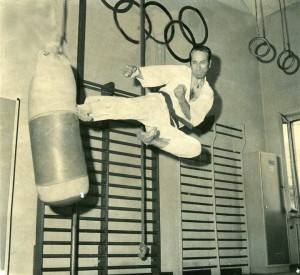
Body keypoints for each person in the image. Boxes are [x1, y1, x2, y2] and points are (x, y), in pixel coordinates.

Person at [77, 45, 214, 158]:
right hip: (158, 105)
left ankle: (152, 140)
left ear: (209, 63)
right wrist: (136, 72)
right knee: (128, 107)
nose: (198, 67)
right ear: (190, 63)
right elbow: (160, 73)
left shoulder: (208, 95)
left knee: (195, 149)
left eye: (202, 63)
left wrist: (181, 99)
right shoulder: (182, 72)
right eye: (194, 62)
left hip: (167, 126)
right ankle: (87, 110)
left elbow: (193, 119)